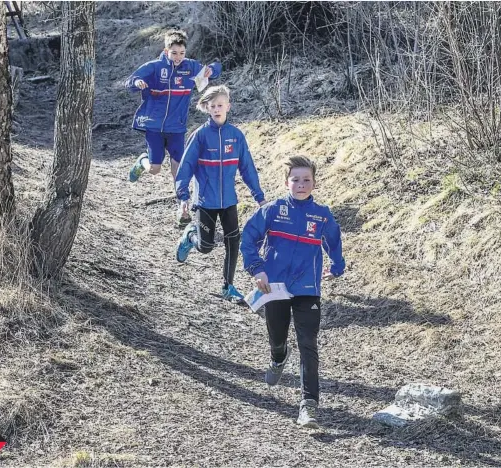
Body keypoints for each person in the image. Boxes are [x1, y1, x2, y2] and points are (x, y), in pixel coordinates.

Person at [240, 155, 345, 429]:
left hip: (308, 287)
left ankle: (309, 406)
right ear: (286, 182)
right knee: (277, 335)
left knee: (308, 343)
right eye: (295, 179)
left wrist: (337, 264)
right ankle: (278, 356)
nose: (301, 184)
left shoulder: (322, 214)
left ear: (314, 182)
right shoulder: (273, 209)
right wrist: (256, 269)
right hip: (273, 285)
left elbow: (334, 240)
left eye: (306, 180)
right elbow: (248, 238)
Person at [175, 85, 266, 303]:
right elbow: (186, 166)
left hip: (229, 202)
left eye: (220, 105)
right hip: (205, 201)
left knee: (233, 242)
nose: (217, 109)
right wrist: (183, 195)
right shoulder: (200, 136)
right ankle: (190, 235)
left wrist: (259, 196)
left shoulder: (236, 136)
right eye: (212, 106)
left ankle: (228, 286)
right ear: (206, 107)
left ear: (228, 106)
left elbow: (247, 168)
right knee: (206, 247)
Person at [126, 29, 222, 225]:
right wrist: (138, 82)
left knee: (178, 171)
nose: (178, 57)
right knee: (154, 169)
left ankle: (182, 207)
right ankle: (143, 160)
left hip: (177, 128)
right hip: (153, 126)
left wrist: (213, 69)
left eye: (182, 53)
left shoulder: (190, 67)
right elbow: (130, 82)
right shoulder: (154, 67)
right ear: (166, 50)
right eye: (174, 53)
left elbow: (215, 68)